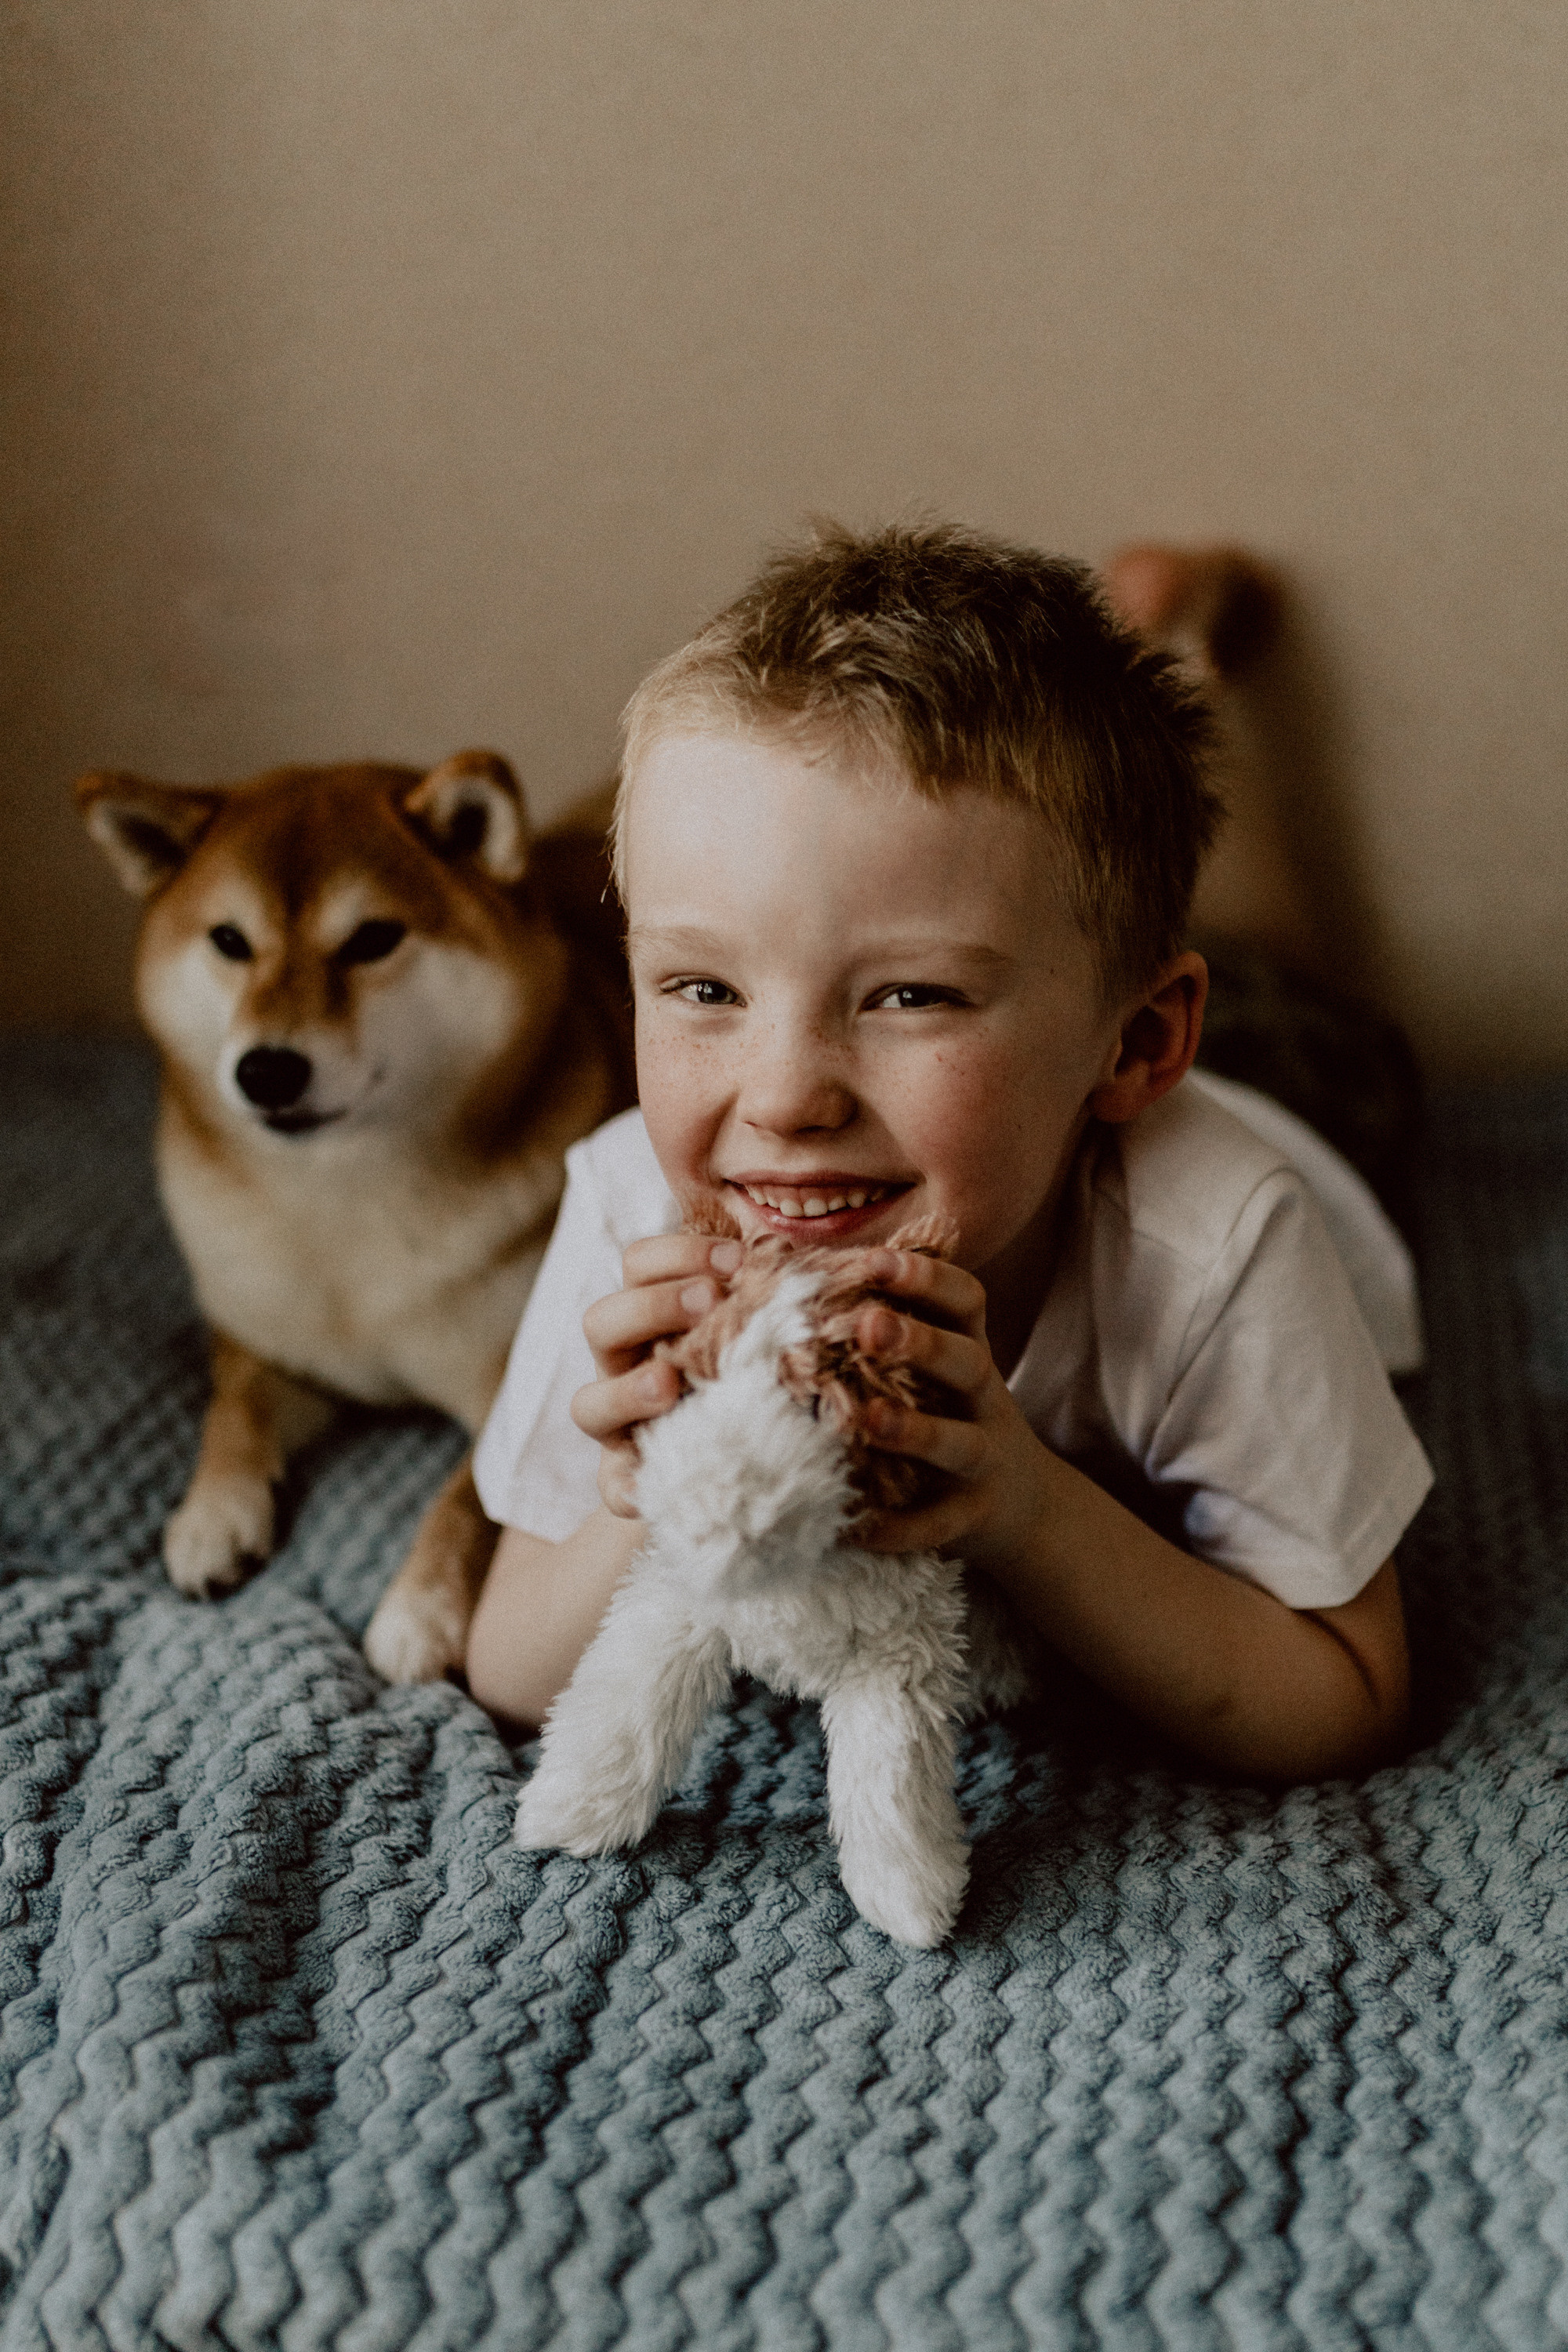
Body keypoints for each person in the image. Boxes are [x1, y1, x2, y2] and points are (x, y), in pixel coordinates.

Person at [465, 522, 1432, 1781]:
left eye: (910, 996)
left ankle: (1180, 650)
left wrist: (1025, 1508)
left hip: (1300, 1086)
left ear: (1137, 1043)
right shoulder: (629, 1203)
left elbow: (1346, 1692)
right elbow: (506, 1665)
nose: (785, 1098)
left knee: (1281, 968)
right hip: (1081, 1026)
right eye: (703, 987)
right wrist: (638, 1487)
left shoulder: (1223, 1236)